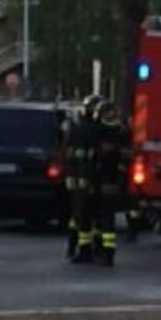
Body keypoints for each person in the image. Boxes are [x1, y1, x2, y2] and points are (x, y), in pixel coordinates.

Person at [92, 100, 132, 267]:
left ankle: (103, 251)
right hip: (113, 182)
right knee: (105, 219)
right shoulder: (122, 133)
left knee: (101, 219)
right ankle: (105, 251)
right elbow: (125, 160)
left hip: (101, 181)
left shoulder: (97, 133)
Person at [64, 95, 102, 263]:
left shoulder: (74, 129)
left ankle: (73, 247)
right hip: (88, 180)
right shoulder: (94, 130)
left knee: (77, 216)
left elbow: (67, 154)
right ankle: (88, 250)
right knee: (90, 217)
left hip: (75, 181)